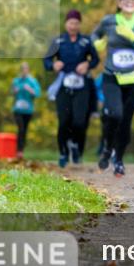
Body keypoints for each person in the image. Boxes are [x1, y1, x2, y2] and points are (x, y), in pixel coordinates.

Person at [92, 0, 134, 177]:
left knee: (126, 120)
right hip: (112, 77)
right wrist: (97, 44)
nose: (129, 1)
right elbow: (94, 35)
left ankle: (118, 159)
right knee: (115, 115)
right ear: (119, 3)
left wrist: (132, 37)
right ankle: (107, 148)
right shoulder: (108, 21)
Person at [44, 9, 99, 167]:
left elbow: (95, 59)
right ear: (65, 24)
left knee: (79, 121)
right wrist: (53, 65)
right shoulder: (58, 41)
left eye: (76, 23)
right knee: (63, 121)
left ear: (79, 24)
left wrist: (87, 64)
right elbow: (46, 60)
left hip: (82, 86)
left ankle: (75, 145)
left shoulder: (86, 42)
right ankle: (63, 152)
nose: (73, 26)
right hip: (63, 85)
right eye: (70, 23)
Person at [10, 62, 41, 159]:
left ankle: (21, 150)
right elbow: (12, 92)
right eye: (22, 69)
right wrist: (15, 90)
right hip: (18, 109)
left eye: (26, 69)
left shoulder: (32, 81)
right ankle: (18, 150)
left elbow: (37, 93)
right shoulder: (16, 81)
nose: (24, 71)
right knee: (21, 128)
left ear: (28, 70)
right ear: (21, 70)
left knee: (24, 130)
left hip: (28, 110)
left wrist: (30, 89)